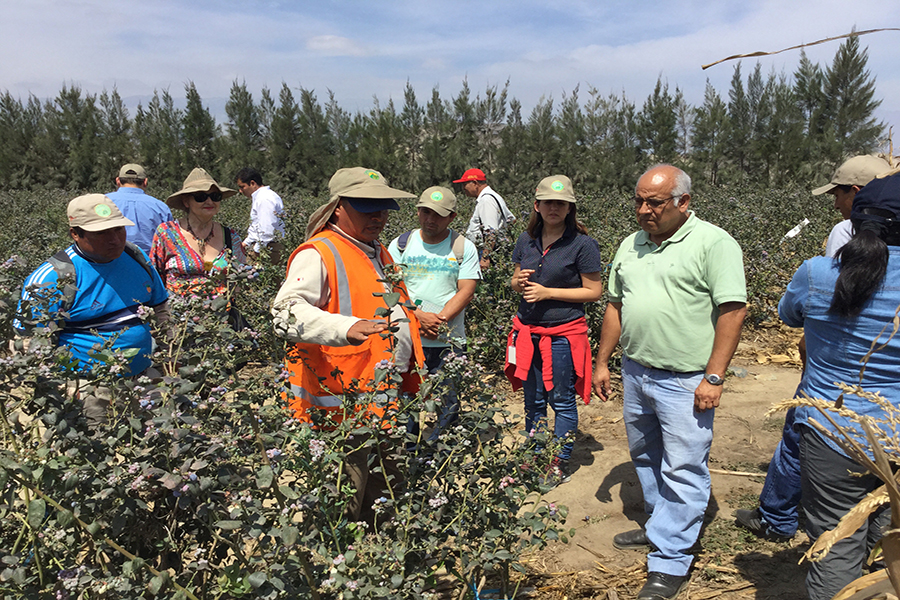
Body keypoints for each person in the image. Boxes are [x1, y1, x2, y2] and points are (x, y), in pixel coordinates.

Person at [593, 164, 747, 600]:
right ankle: (663, 527)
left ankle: (670, 560)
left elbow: (733, 311)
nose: (644, 210)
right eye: (639, 201)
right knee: (646, 455)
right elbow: (616, 307)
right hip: (638, 372)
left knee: (683, 465)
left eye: (654, 202)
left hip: (687, 380)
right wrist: (604, 362)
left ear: (683, 202)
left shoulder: (714, 243)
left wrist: (714, 376)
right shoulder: (631, 244)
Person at [735, 153, 891, 543]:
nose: (835, 202)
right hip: (882, 412)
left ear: (857, 195)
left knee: (800, 446)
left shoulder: (843, 238)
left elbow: (802, 308)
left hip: (832, 391)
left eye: (838, 193)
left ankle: (778, 516)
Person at [272, 166, 425, 525]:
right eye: (367, 208)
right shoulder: (320, 252)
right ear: (339, 207)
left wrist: (416, 318)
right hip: (341, 409)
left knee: (385, 495)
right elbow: (284, 313)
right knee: (343, 501)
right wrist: (347, 327)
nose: (379, 217)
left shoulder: (377, 250)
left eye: (385, 208)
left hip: (380, 400)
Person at [778, 172, 900, 600]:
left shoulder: (817, 273)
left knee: (834, 543)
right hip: (896, 436)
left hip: (833, 432)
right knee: (889, 541)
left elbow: (790, 315)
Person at [14, 194, 169, 427]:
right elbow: (27, 346)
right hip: (87, 392)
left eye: (118, 229)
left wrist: (169, 359)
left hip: (143, 381)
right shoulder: (52, 278)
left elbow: (161, 310)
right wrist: (60, 390)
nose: (115, 239)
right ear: (75, 233)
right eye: (102, 233)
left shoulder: (136, 258)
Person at [505, 175, 603, 484]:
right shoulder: (526, 240)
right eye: (548, 203)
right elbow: (514, 279)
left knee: (560, 400)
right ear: (537, 206)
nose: (554, 208)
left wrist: (548, 293)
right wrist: (518, 283)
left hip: (561, 335)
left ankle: (557, 462)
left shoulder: (582, 244)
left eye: (560, 203)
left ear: (570, 208)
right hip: (527, 333)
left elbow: (594, 291)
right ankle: (535, 456)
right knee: (532, 401)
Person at [388, 186, 481, 434]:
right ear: (417, 212)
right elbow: (392, 288)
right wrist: (418, 318)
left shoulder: (463, 247)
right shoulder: (399, 245)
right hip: (407, 338)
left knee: (447, 400)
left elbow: (466, 290)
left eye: (438, 214)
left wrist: (438, 321)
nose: (430, 219)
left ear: (452, 217)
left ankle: (440, 450)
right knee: (406, 398)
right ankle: (409, 449)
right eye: (425, 212)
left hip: (448, 340)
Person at [150, 168, 246, 299]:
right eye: (200, 197)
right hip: (179, 316)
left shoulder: (231, 236)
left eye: (215, 196)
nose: (209, 202)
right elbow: (155, 277)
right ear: (186, 201)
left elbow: (240, 279)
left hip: (222, 317)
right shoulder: (167, 233)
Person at [811, 154, 892, 257]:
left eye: (837, 195)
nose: (836, 205)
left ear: (856, 193)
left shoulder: (845, 230)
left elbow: (833, 272)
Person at [105, 163, 174, 255]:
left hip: (107, 261)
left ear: (118, 181)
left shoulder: (103, 202)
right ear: (145, 182)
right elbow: (170, 241)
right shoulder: (161, 207)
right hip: (147, 264)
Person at [454, 168, 515, 268]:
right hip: (494, 250)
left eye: (465, 184)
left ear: (475, 183)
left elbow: (491, 231)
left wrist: (485, 258)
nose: (463, 187)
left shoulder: (486, 200)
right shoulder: (493, 196)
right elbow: (512, 219)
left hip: (488, 253)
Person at [235, 167, 286, 264]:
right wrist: (245, 243)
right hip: (264, 247)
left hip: (269, 248)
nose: (240, 191)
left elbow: (267, 230)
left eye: (242, 187)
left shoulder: (264, 199)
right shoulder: (261, 197)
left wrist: (257, 251)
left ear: (253, 183)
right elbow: (256, 225)